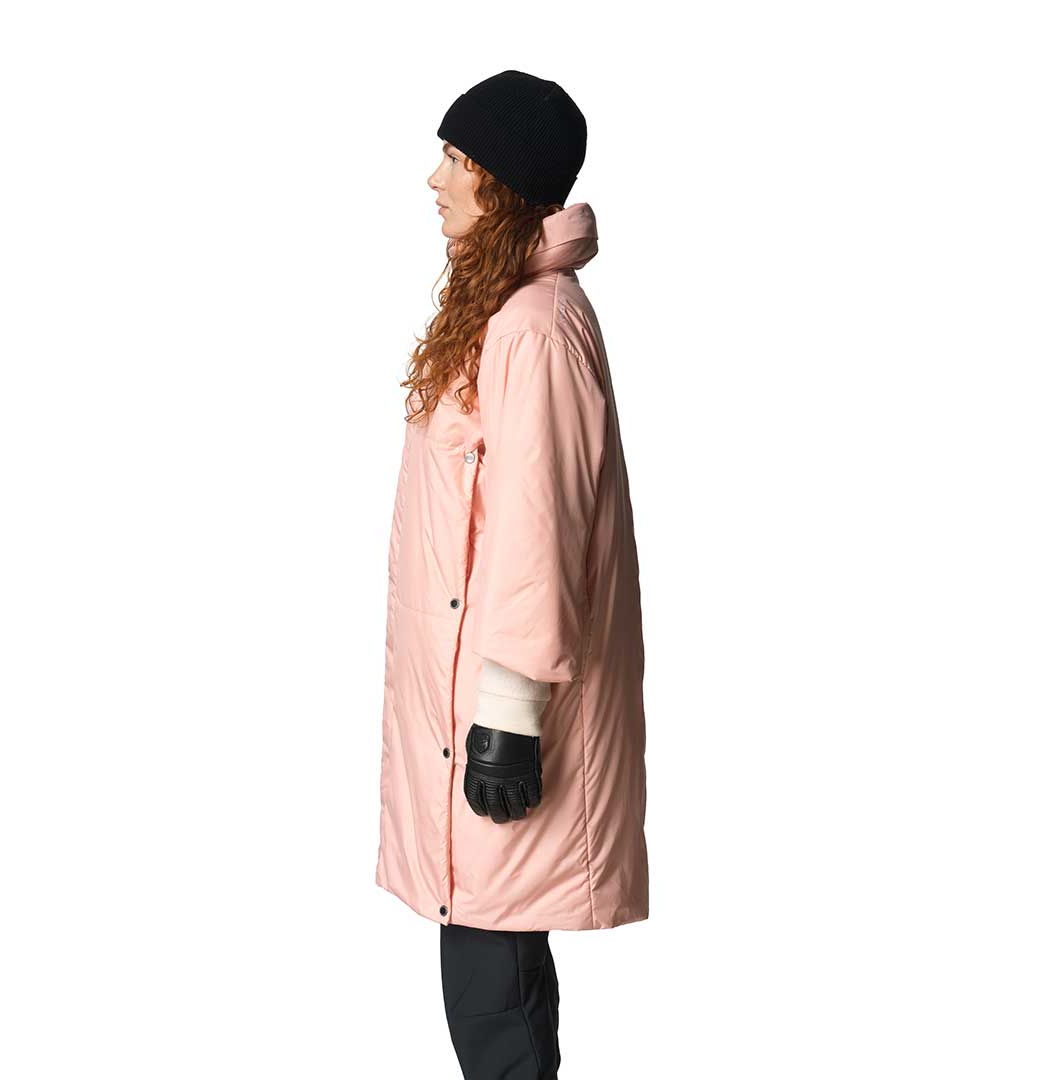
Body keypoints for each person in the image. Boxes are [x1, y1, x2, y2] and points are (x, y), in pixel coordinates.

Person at [375, 70, 650, 1079]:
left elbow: (541, 530)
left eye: (457, 159)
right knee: (489, 969)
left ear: (504, 181)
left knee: (494, 988)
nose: (436, 179)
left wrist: (507, 714)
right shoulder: (504, 309)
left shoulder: (535, 323)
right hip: (473, 708)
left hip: (503, 712)